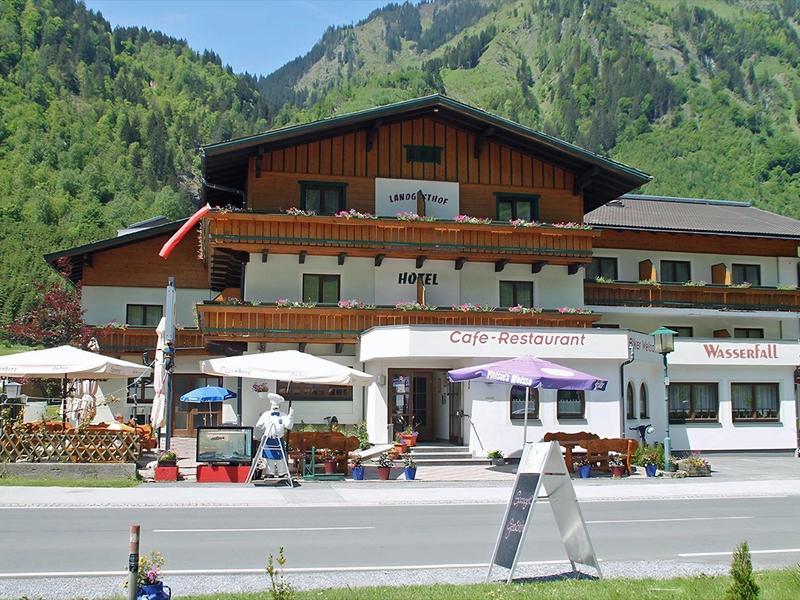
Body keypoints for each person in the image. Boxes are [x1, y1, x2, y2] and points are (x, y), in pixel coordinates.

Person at [255, 388, 294, 477]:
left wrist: (291, 416)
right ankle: (270, 472)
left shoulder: (283, 415)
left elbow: (288, 426)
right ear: (271, 404)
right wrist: (264, 424)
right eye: (273, 404)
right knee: (269, 457)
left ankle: (282, 472)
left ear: (279, 405)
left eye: (277, 405)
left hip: (278, 438)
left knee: (280, 457)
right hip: (268, 438)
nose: (275, 406)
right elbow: (259, 425)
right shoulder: (266, 415)